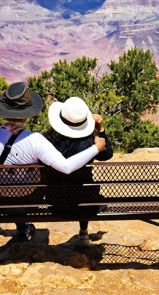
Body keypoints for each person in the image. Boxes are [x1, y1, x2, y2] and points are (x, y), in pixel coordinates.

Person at [0, 82, 106, 242]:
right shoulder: (35, 140)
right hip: (30, 201)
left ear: (3, 111)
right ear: (28, 114)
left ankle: (17, 226)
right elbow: (66, 167)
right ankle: (24, 226)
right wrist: (96, 148)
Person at [43, 97, 113, 248]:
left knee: (75, 189)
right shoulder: (90, 145)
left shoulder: (47, 143)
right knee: (83, 189)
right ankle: (83, 233)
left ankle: (22, 233)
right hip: (84, 206)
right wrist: (100, 129)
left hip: (55, 204)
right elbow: (107, 154)